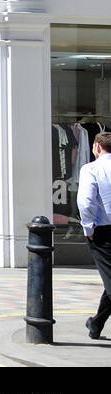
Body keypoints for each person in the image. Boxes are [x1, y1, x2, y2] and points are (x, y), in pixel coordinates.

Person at [77, 131, 111, 339]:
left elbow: (86, 201)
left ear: (97, 147)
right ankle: (96, 324)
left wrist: (88, 229)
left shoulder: (91, 168)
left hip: (103, 232)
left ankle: (96, 323)